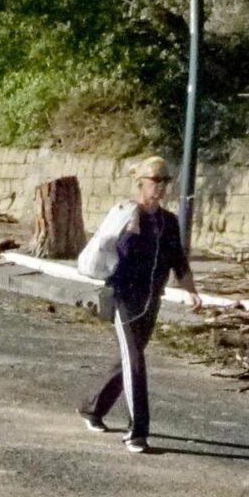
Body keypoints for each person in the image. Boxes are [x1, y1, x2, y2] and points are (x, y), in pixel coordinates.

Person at [74, 156, 202, 453]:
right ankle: (138, 431)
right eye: (156, 181)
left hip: (151, 299)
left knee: (127, 362)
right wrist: (129, 233)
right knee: (135, 361)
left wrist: (192, 291)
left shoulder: (168, 221)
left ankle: (92, 408)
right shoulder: (125, 214)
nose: (160, 188)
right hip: (123, 296)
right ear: (141, 183)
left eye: (165, 182)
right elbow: (109, 254)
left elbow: (177, 261)